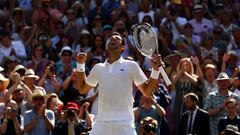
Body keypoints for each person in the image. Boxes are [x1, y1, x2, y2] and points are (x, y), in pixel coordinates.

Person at [76, 32, 162, 135]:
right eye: (111, 38)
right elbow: (82, 89)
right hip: (101, 123)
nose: (113, 39)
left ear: (123, 47)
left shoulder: (131, 66)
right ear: (107, 46)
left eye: (117, 38)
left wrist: (155, 70)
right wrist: (80, 64)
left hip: (125, 123)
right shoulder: (98, 68)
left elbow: (147, 92)